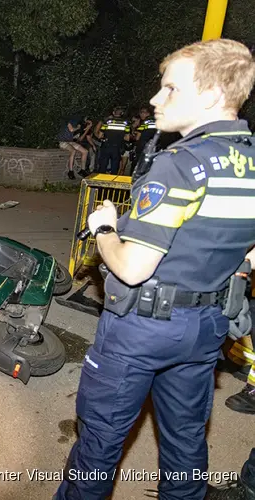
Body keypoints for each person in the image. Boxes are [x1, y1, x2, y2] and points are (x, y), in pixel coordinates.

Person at [54, 38, 255, 500]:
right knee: (185, 444)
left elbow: (131, 268)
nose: (154, 99)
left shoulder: (180, 166)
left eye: (169, 89)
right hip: (208, 327)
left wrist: (105, 228)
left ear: (209, 96)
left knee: (98, 447)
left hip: (142, 328)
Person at [94, 106, 131, 175]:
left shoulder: (107, 122)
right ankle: (112, 183)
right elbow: (127, 138)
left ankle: (101, 183)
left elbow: (100, 136)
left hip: (106, 146)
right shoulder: (126, 123)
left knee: (103, 166)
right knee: (115, 167)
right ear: (122, 113)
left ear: (113, 113)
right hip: (117, 147)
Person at [58, 115, 89, 179]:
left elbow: (76, 136)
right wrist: (78, 128)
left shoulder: (75, 122)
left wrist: (88, 126)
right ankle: (70, 171)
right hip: (62, 141)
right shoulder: (68, 121)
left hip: (70, 141)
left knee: (85, 151)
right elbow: (71, 130)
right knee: (73, 151)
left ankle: (82, 170)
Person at [132, 106, 158, 175]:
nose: (141, 114)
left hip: (143, 147)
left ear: (148, 114)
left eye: (142, 113)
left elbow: (138, 137)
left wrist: (133, 131)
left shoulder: (145, 122)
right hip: (156, 147)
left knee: (138, 165)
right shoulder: (158, 121)